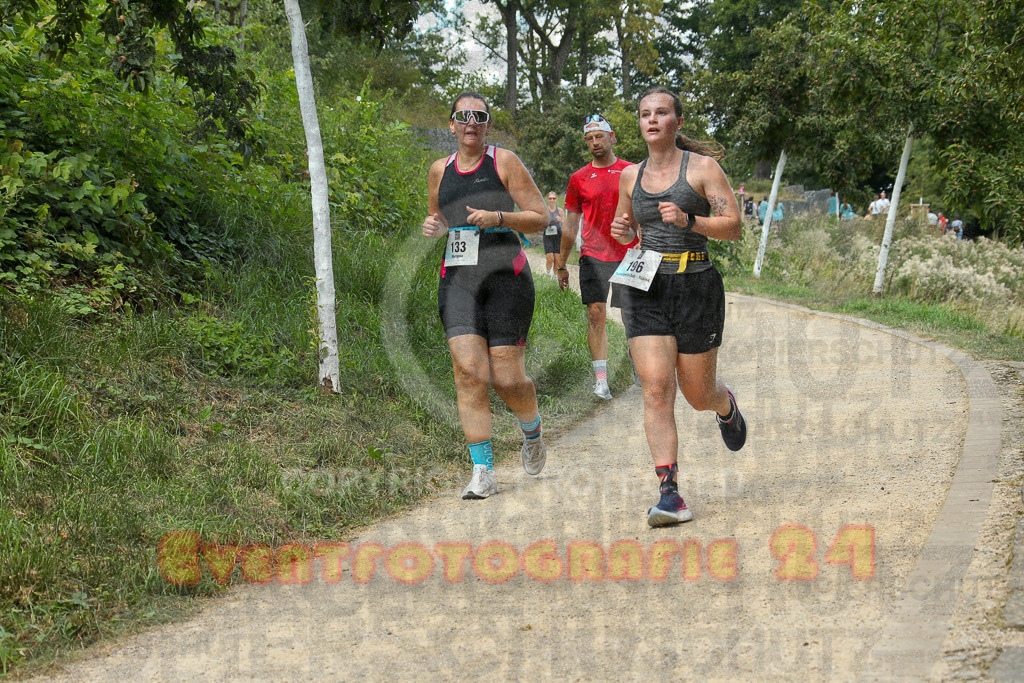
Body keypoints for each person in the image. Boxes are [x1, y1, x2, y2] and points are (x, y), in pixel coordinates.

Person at [608, 86, 747, 527]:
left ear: (677, 122)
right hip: (645, 284)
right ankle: (669, 492)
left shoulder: (703, 168)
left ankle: (725, 405)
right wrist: (621, 229)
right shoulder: (629, 176)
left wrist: (690, 220)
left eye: (662, 112)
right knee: (655, 387)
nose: (652, 120)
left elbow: (733, 227)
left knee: (696, 392)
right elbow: (626, 233)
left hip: (696, 283)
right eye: (645, 113)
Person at [421, 92, 549, 500]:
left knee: (508, 377)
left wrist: (499, 217)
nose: (471, 123)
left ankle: (532, 430)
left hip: (506, 277)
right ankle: (483, 470)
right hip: (458, 278)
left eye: (479, 116)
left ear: (487, 124)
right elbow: (439, 216)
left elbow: (541, 216)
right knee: (469, 372)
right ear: (452, 125)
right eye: (463, 116)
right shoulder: (439, 170)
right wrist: (434, 226)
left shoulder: (504, 161)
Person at [557, 113, 636, 400]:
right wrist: (562, 263)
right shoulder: (578, 178)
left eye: (599, 136)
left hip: (629, 252)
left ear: (612, 137)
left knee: (632, 314)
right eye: (589, 139)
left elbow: (644, 211)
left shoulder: (632, 170)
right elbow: (570, 224)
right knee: (595, 314)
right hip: (593, 254)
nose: (594, 142)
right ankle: (601, 380)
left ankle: (637, 362)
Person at [543, 192, 564, 277]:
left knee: (557, 259)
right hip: (547, 235)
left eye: (553, 198)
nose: (552, 200)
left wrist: (561, 220)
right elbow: (540, 223)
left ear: (556, 199)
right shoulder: (544, 210)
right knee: (550, 258)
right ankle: (548, 273)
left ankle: (555, 277)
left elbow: (564, 224)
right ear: (547, 199)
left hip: (558, 235)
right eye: (550, 198)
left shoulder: (560, 211)